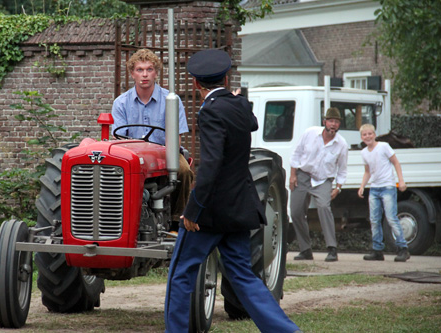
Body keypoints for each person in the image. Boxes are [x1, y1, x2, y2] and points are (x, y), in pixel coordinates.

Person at [164, 49, 300, 333]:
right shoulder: (239, 106)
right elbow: (252, 123)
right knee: (244, 277)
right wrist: (240, 99)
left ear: (195, 84)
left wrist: (192, 210)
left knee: (180, 274)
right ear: (226, 78)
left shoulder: (211, 111)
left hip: (211, 214)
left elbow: (211, 166)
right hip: (239, 210)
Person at [111, 48, 193, 225]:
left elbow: (176, 137)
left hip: (164, 153)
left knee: (184, 170)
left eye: (149, 69)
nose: (145, 74)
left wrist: (168, 154)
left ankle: (177, 220)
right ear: (132, 73)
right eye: (139, 70)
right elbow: (119, 140)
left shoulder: (171, 100)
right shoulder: (121, 103)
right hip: (131, 156)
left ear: (156, 72)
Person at [289, 107, 348, 262]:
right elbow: (296, 153)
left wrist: (338, 188)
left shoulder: (341, 144)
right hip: (303, 175)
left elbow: (342, 170)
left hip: (323, 180)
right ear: (324, 122)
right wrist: (293, 175)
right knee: (295, 212)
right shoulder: (310, 133)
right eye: (331, 121)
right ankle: (305, 249)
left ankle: (332, 248)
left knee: (323, 207)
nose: (333, 124)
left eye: (336, 122)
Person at [358, 124, 410, 262]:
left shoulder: (384, 146)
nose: (368, 136)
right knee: (374, 220)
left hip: (387, 187)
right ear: (361, 137)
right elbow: (367, 171)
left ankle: (403, 248)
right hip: (374, 189)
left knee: (391, 217)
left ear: (374, 134)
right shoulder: (364, 152)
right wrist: (362, 186)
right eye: (365, 134)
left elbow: (396, 163)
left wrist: (401, 180)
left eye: (370, 133)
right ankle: (377, 250)